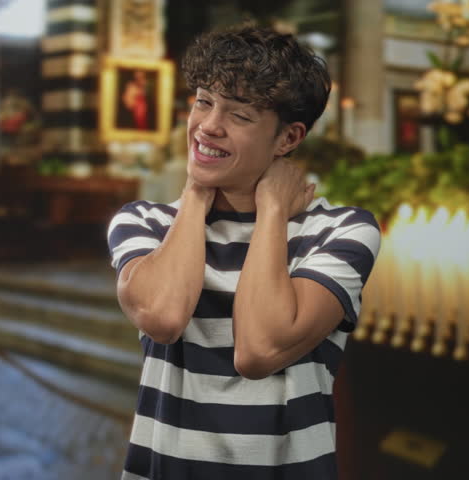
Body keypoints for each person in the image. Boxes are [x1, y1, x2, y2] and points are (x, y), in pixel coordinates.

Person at [107, 24, 381, 479]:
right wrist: (197, 190)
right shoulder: (145, 222)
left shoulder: (341, 230)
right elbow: (164, 316)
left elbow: (259, 349)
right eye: (204, 101)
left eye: (240, 116)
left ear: (288, 139)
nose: (209, 126)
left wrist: (271, 211)